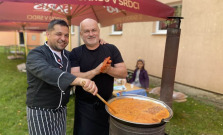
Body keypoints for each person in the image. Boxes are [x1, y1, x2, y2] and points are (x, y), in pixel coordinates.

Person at [26, 19, 98, 135]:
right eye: (58, 34)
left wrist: (98, 44)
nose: (63, 39)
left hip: (61, 110)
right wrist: (79, 81)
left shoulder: (69, 55)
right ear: (48, 34)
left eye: (66, 35)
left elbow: (86, 56)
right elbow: (48, 72)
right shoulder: (36, 54)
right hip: (40, 111)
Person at [69, 18, 127, 135]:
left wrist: (108, 69)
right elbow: (73, 76)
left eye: (93, 30)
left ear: (99, 31)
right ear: (81, 34)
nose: (91, 34)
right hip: (84, 107)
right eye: (86, 31)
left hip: (107, 104)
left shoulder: (111, 49)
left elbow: (123, 73)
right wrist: (96, 71)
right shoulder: (76, 52)